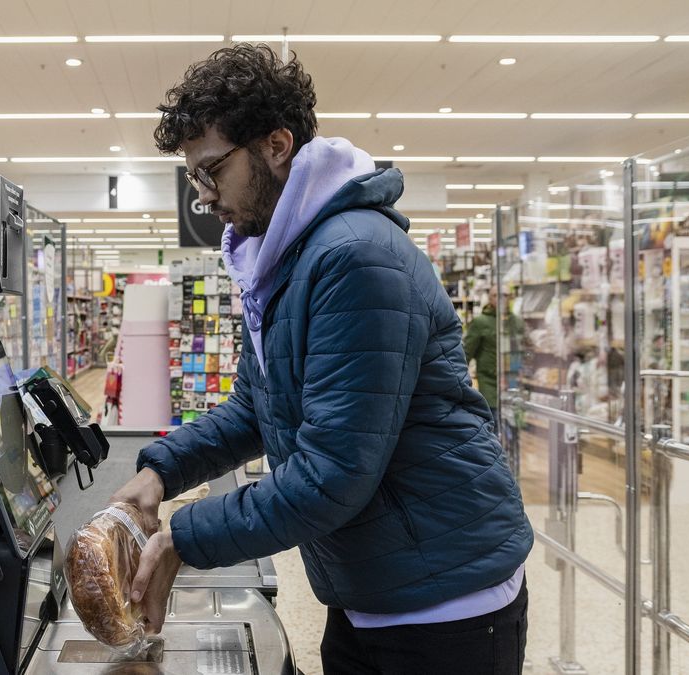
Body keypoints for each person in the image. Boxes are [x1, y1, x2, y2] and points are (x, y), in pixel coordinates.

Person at [111, 44, 532, 674]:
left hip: (444, 601)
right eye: (193, 177)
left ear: (276, 146)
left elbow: (333, 473)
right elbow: (256, 407)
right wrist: (161, 472)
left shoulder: (354, 257)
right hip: (375, 584)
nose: (202, 197)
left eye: (212, 171)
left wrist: (184, 537)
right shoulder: (287, 261)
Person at [463, 287, 500, 421]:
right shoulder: (480, 322)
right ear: (490, 299)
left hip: (511, 386)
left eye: (507, 295)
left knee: (513, 432)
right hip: (489, 386)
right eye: (497, 295)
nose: (503, 299)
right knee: (493, 426)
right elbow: (466, 353)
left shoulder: (514, 321)